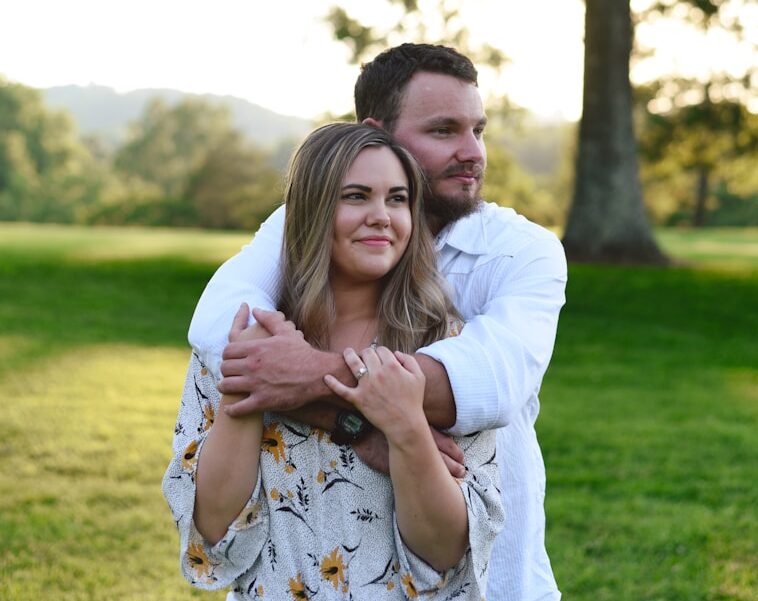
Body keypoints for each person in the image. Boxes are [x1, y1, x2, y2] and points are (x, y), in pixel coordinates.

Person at [189, 44, 567, 600]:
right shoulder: (304, 224)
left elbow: (488, 384)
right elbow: (220, 325)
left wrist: (314, 378)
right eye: (444, 131)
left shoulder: (520, 252)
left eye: (478, 131)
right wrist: (360, 425)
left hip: (494, 579)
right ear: (379, 133)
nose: (472, 153)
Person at [163, 123, 503, 600]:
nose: (382, 216)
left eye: (398, 199)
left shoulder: (445, 351)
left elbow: (444, 556)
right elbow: (217, 536)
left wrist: (405, 427)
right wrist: (248, 384)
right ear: (314, 209)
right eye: (357, 196)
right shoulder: (247, 341)